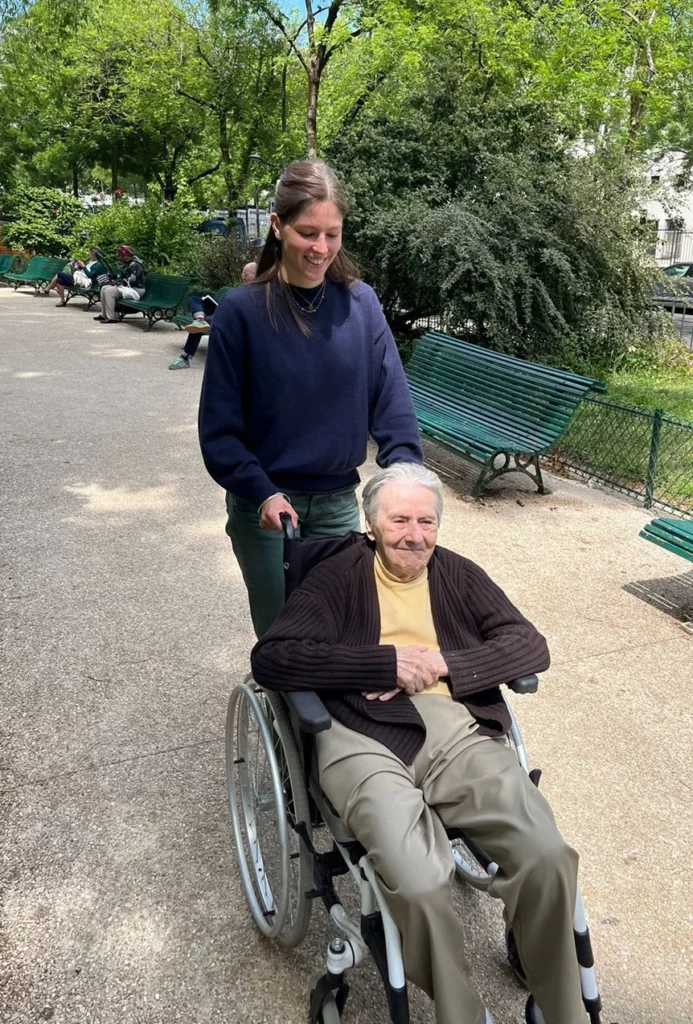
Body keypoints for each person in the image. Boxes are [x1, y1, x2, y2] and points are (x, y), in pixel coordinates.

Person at [251, 462, 585, 1024]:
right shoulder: (338, 576)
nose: (414, 534)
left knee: (548, 856)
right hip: (358, 732)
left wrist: (442, 664)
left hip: (454, 728)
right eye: (399, 519)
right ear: (372, 524)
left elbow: (530, 645)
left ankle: (561, 1005)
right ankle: (460, 1012)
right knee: (421, 880)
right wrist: (382, 662)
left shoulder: (456, 574)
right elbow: (274, 656)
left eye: (426, 521)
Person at [198, 160, 422, 637]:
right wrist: (260, 490)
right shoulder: (242, 312)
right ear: (277, 227)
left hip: (338, 500)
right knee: (284, 635)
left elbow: (392, 401)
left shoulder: (361, 304)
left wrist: (405, 476)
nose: (321, 248)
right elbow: (219, 431)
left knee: (340, 628)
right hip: (267, 507)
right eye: (307, 233)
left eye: (332, 234)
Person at [169, 263, 257, 370]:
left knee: (199, 328)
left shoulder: (257, 291)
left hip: (228, 317)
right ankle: (200, 319)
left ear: (255, 275)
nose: (243, 277)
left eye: (245, 275)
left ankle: (185, 357)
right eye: (242, 274)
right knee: (194, 299)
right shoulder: (244, 287)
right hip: (221, 310)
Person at [94, 245, 145, 323]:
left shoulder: (136, 265)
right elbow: (123, 278)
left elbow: (133, 280)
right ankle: (104, 315)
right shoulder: (127, 264)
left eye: (121, 256)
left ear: (127, 256)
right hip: (128, 287)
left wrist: (121, 282)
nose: (120, 258)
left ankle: (111, 317)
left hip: (136, 289)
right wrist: (114, 281)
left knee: (109, 291)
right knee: (104, 288)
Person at [41, 248, 108, 306]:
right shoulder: (91, 262)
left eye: (90, 254)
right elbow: (84, 272)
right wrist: (79, 266)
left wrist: (84, 266)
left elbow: (90, 275)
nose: (88, 255)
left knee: (59, 274)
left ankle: (48, 288)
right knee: (60, 281)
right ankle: (62, 301)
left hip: (85, 282)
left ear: (94, 255)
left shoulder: (98, 264)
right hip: (80, 279)